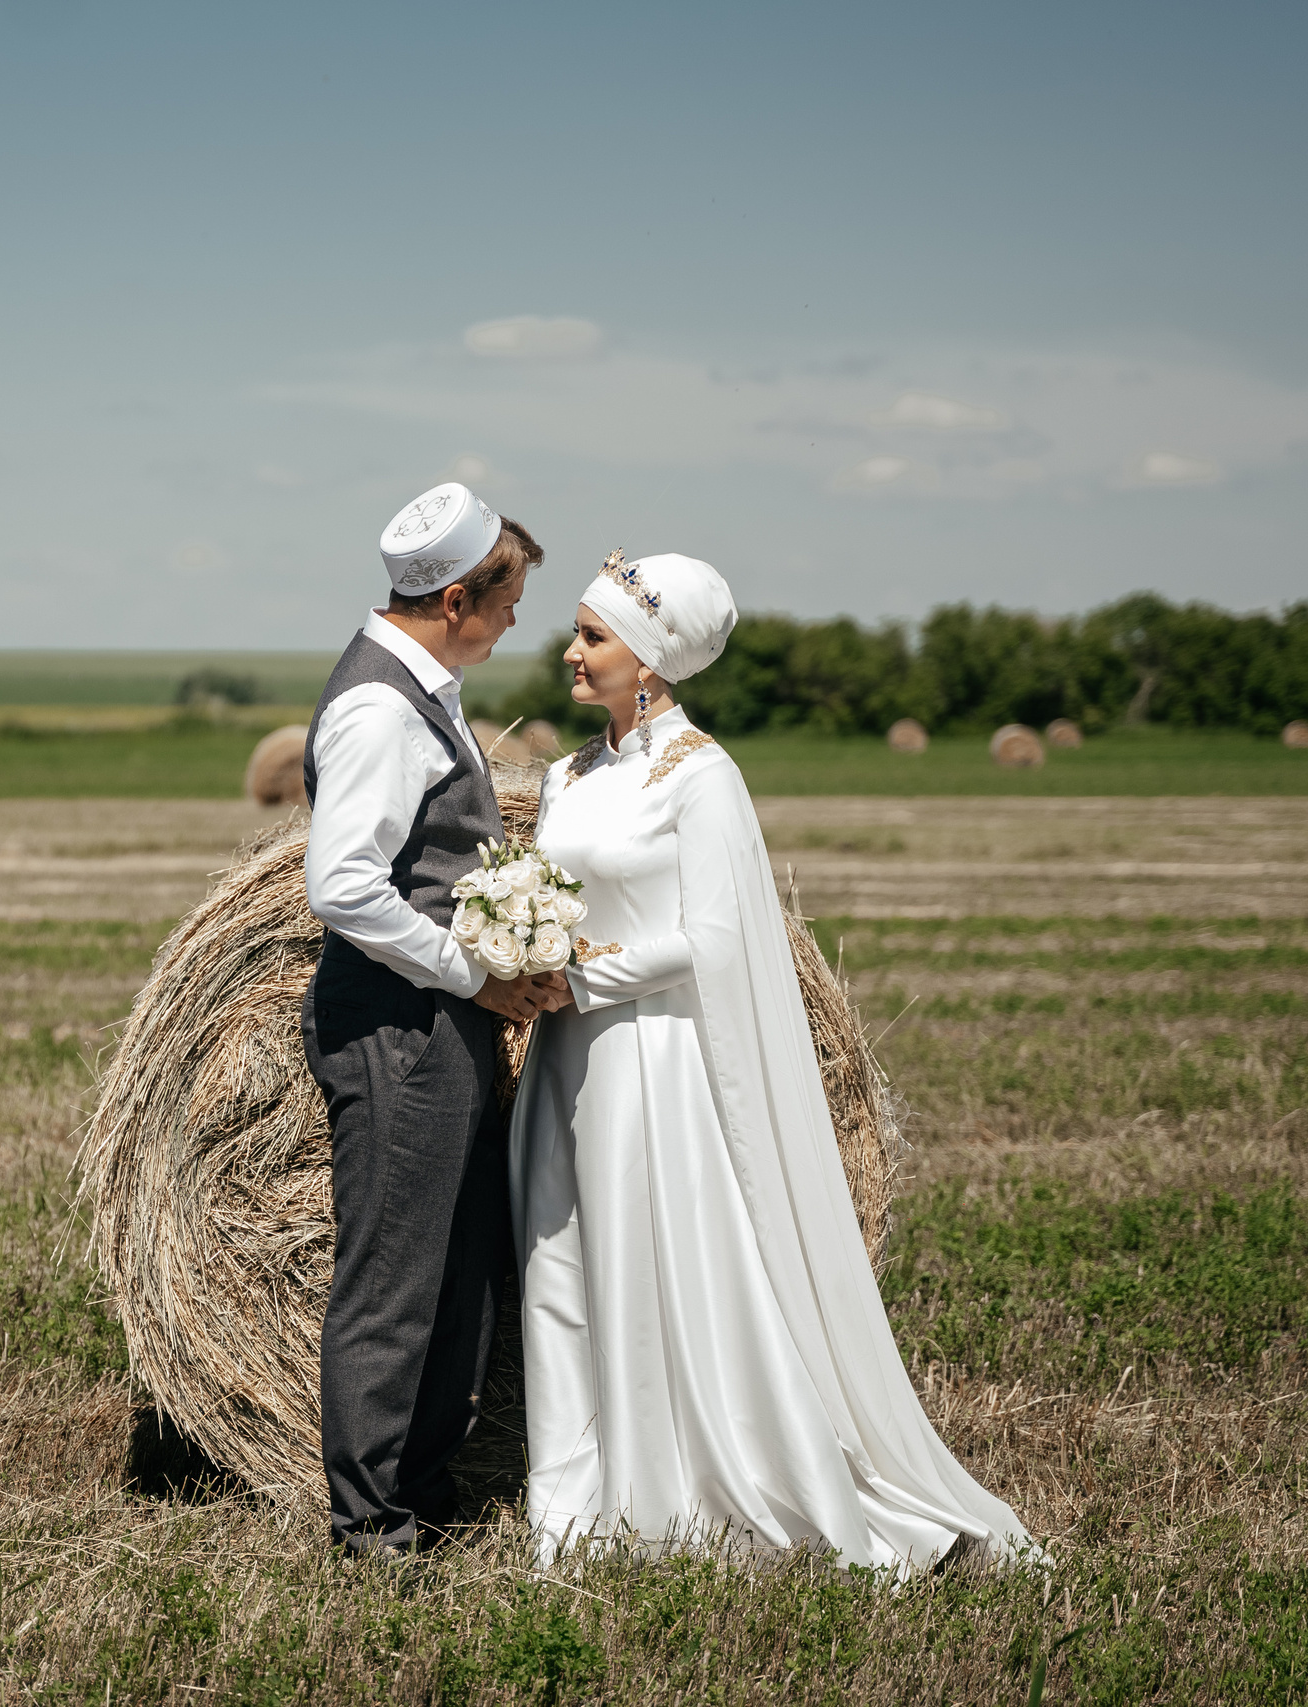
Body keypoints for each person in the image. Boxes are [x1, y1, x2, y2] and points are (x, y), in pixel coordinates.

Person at [511, 550, 1036, 1572]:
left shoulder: (700, 777)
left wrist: (576, 978)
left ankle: (683, 1495)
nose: (572, 651)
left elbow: (712, 941)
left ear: (653, 661)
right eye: (576, 632)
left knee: (649, 1266)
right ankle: (576, 1503)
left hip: (646, 1063)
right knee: (561, 1271)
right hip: (563, 1060)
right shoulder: (567, 774)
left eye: (593, 636)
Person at [300, 481, 570, 1556]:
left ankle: (417, 1490)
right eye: (507, 603)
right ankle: (367, 1524)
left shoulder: (425, 684)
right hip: (398, 1032)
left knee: (456, 1267)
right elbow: (344, 886)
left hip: (433, 1024)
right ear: (457, 599)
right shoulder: (379, 707)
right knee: (395, 1281)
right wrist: (471, 972)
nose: (514, 624)